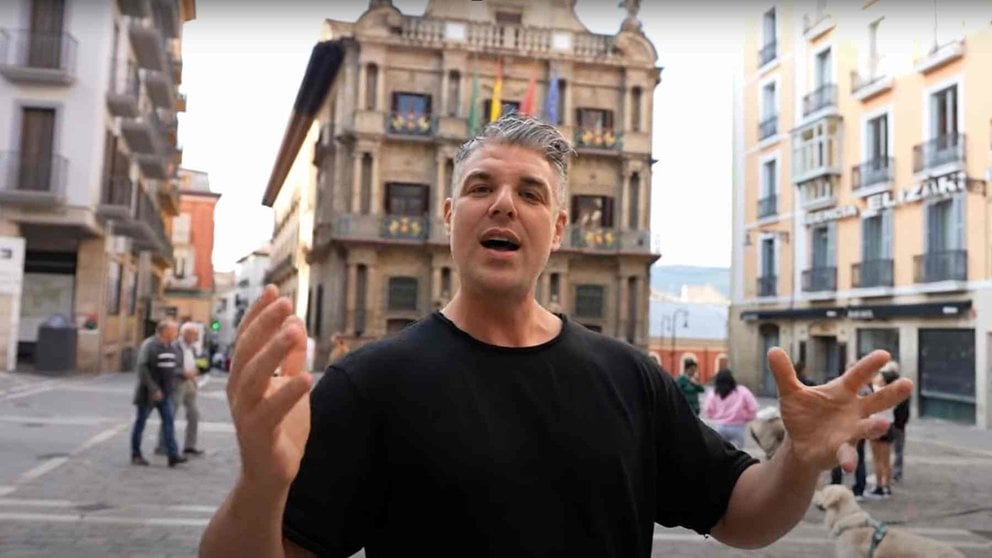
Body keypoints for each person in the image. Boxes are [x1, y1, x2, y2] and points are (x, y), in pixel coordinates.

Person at [200, 114, 912, 557]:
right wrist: (262, 483)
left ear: (560, 229)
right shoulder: (373, 384)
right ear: (449, 215)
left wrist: (799, 460)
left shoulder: (630, 377)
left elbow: (742, 518)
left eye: (531, 193)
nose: (503, 202)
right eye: (481, 188)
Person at [130, 319, 187, 467]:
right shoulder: (150, 345)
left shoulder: (172, 347)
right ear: (165, 331)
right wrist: (154, 389)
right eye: (174, 330)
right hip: (148, 394)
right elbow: (142, 368)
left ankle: (172, 455)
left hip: (166, 393)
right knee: (140, 423)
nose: (177, 333)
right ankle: (136, 454)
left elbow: (171, 368)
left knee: (169, 423)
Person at [157, 322, 204, 457]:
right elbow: (168, 365)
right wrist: (181, 372)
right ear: (183, 334)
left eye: (195, 334)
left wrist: (197, 370)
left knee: (194, 414)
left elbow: (198, 363)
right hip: (177, 383)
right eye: (191, 334)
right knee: (170, 414)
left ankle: (190, 446)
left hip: (191, 383)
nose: (194, 336)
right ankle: (162, 445)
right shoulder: (173, 346)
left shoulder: (194, 348)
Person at [704, 368, 759, 449]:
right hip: (738, 427)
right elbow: (753, 407)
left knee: (720, 450)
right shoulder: (742, 391)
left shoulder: (713, 393)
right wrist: (746, 417)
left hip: (719, 426)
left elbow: (708, 410)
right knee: (737, 454)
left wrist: (715, 417)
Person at [867, 369, 897, 498]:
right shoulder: (894, 394)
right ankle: (887, 487)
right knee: (886, 459)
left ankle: (878, 487)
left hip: (876, 425)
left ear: (884, 380)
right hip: (889, 425)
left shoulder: (876, 391)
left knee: (877, 459)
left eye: (880, 376)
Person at [884, 364, 909, 483]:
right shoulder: (901, 387)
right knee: (897, 450)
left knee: (888, 450)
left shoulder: (891, 387)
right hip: (898, 423)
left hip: (894, 422)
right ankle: (895, 473)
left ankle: (891, 473)